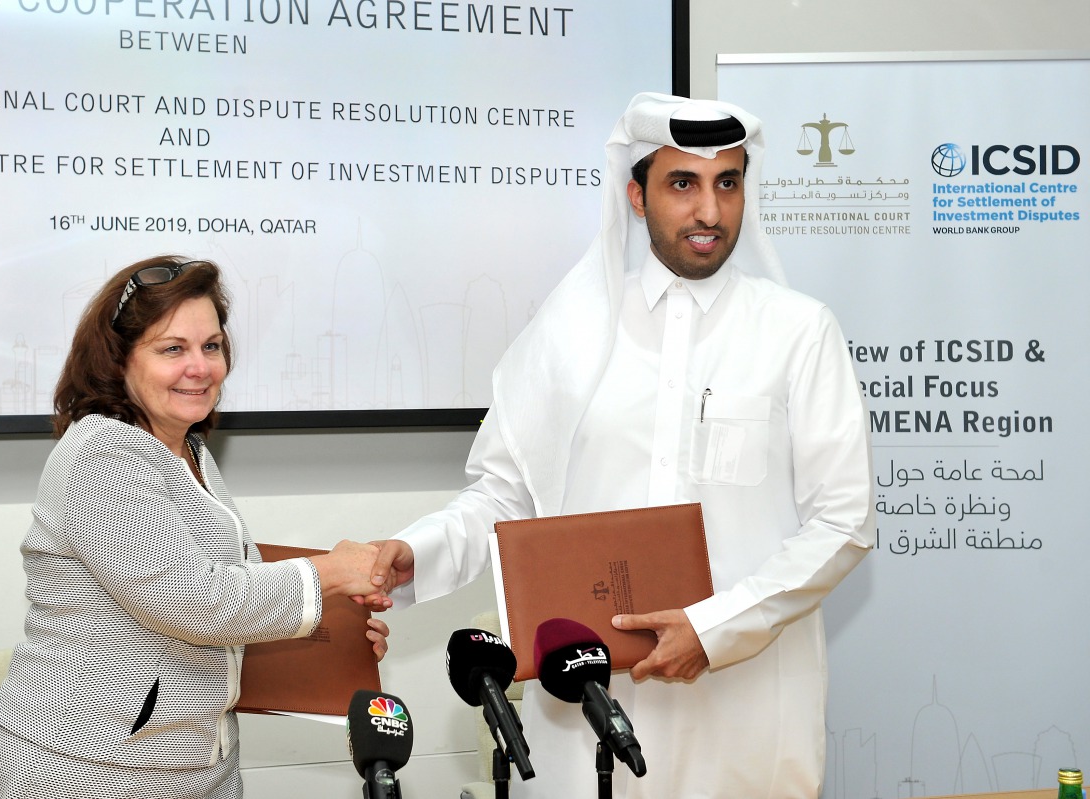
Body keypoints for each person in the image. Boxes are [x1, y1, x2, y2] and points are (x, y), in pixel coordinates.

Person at [361, 93, 876, 797]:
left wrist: (716, 628)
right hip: (585, 707)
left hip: (743, 709)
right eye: (683, 183)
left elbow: (844, 521)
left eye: (728, 183)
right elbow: (507, 499)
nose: (710, 211)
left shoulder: (799, 332)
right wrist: (415, 552)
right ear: (636, 195)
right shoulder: (570, 331)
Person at [0, 256, 388, 799]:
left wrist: (337, 634)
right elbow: (189, 600)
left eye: (211, 346)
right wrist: (331, 572)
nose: (200, 367)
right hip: (85, 771)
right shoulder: (102, 451)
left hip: (195, 767)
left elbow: (221, 600)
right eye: (172, 349)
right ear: (118, 358)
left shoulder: (188, 450)